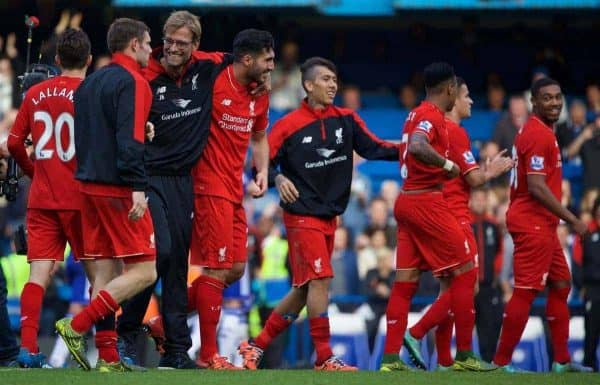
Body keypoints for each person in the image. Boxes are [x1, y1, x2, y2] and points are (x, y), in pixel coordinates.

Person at [237, 56, 399, 371]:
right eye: (325, 79)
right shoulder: (288, 125)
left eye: (334, 79)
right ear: (309, 85)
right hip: (300, 216)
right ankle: (324, 357)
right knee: (321, 279)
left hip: (329, 217)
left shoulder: (347, 120)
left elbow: (376, 147)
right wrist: (278, 178)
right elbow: (257, 165)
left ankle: (255, 347)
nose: (332, 84)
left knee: (303, 290)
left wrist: (411, 150)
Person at [115, 10, 232, 370]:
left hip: (184, 180)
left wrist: (260, 77)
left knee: (178, 263)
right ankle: (126, 333)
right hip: (147, 176)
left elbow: (239, 60)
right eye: (169, 41)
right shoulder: (143, 74)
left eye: (183, 43)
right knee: (159, 254)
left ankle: (177, 350)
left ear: (195, 45)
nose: (174, 49)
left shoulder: (208, 66)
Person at [54, 18, 156, 372]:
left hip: (87, 188)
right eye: (148, 43)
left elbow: (98, 135)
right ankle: (77, 325)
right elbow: (129, 143)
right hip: (118, 189)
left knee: (105, 272)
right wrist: (138, 188)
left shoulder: (88, 83)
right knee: (145, 271)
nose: (150, 49)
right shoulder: (135, 82)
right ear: (133, 45)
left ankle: (108, 358)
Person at [400, 77, 512, 371]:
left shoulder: (440, 131)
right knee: (468, 285)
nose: (471, 101)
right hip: (455, 218)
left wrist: (481, 170)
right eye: (467, 95)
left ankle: (446, 361)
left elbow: (465, 175)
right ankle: (420, 334)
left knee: (450, 290)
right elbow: (473, 180)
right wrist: (493, 172)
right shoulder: (455, 133)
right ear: (454, 99)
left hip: (439, 211)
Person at [380, 62, 481, 372]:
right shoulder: (430, 116)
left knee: (405, 282)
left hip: (406, 200)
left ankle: (389, 359)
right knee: (466, 273)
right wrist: (448, 166)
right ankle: (463, 356)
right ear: (450, 89)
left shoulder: (413, 113)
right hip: (426, 200)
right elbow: (419, 146)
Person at [6, 29, 94, 369]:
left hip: (42, 198)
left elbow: (15, 144)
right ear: (88, 60)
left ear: (57, 60)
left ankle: (27, 350)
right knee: (99, 275)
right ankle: (109, 352)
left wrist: (32, 171)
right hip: (81, 197)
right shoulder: (90, 93)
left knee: (37, 276)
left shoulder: (35, 93)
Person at [491, 77, 592, 372]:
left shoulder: (544, 131)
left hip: (542, 224)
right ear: (534, 102)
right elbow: (535, 186)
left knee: (561, 284)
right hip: (531, 221)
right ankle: (500, 364)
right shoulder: (538, 134)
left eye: (558, 97)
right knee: (525, 290)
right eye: (547, 98)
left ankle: (561, 361)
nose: (555, 103)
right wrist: (573, 219)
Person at [188, 29, 273, 370]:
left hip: (235, 189)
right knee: (218, 267)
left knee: (236, 268)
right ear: (248, 59)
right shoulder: (213, 80)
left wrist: (262, 170)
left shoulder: (260, 94)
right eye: (267, 59)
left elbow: (261, 137)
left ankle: (169, 320)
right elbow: (188, 53)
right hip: (207, 185)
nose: (272, 66)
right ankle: (208, 354)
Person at [580, 197, 600, 371]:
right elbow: (579, 263)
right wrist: (582, 285)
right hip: (593, 289)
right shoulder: (588, 233)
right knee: (591, 332)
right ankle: (589, 367)